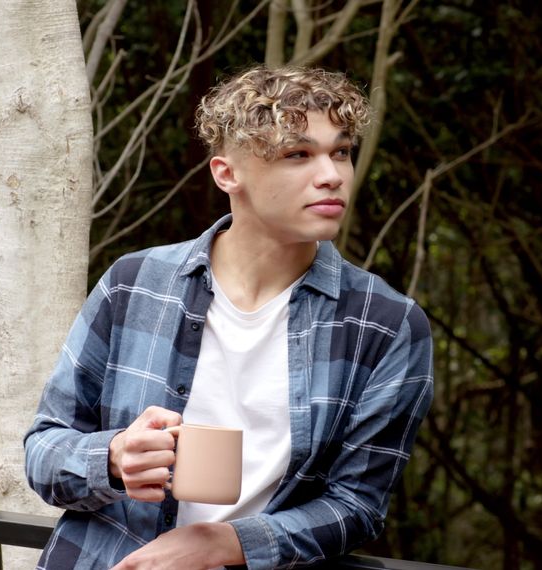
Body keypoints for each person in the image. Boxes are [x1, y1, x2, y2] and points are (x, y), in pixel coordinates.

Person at [23, 66, 435, 570]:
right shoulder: (135, 282)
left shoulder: (387, 324)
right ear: (227, 174)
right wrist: (111, 458)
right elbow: (43, 452)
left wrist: (228, 543)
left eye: (341, 151)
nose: (332, 174)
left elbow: (357, 507)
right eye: (298, 154)